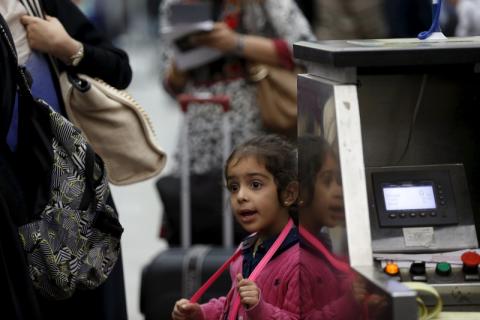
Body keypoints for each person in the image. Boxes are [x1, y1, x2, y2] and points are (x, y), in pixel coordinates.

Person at [0, 1, 132, 319]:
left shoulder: (37, 4)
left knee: (90, 301)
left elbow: (119, 68)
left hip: (71, 193)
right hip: (11, 210)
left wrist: (68, 47)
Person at [160, 0, 315, 175]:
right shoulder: (175, 4)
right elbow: (170, 85)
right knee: (199, 196)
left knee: (255, 188)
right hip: (199, 132)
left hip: (257, 120)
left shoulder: (267, 4)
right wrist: (183, 56)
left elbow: (305, 49)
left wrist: (237, 43)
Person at [172, 134, 300, 319]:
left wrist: (259, 308)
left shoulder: (300, 262)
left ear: (289, 193)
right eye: (233, 187)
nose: (240, 196)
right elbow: (235, 304)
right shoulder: (246, 249)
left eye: (255, 184)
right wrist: (202, 313)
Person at [298, 135, 387, 320]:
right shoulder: (298, 261)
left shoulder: (318, 244)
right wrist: (350, 303)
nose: (339, 192)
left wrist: (364, 308)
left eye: (339, 181)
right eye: (327, 181)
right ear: (300, 192)